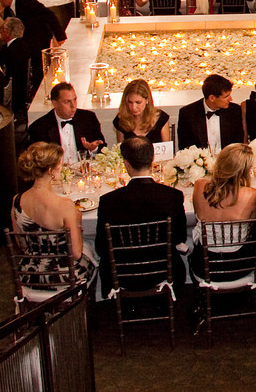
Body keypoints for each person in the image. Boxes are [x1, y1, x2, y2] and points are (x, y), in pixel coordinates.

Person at [95, 136, 187, 294]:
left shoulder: (108, 201)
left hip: (121, 275)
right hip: (164, 270)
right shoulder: (173, 196)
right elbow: (180, 237)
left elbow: (101, 246)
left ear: (126, 164)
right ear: (152, 161)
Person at [12, 143, 97, 286]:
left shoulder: (17, 200)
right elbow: (76, 253)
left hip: (30, 274)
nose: (62, 167)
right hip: (64, 276)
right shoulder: (65, 205)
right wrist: (77, 223)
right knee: (95, 255)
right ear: (51, 170)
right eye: (60, 164)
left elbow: (22, 244)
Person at [190, 144, 256, 283]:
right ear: (244, 171)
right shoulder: (251, 195)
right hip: (239, 266)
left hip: (204, 266)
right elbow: (251, 227)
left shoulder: (199, 185)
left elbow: (197, 213)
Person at [28, 82, 105, 161]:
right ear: (55, 103)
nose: (73, 106)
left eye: (74, 100)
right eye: (67, 102)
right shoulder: (39, 128)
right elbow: (37, 160)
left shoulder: (88, 118)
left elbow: (103, 149)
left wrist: (93, 149)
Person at [177, 74, 243, 152]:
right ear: (212, 98)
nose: (230, 99)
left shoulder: (234, 111)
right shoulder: (188, 113)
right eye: (226, 96)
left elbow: (238, 144)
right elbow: (184, 147)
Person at [113, 79, 171, 143]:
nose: (133, 107)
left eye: (138, 102)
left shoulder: (161, 118)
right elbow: (120, 147)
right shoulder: (121, 120)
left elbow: (166, 147)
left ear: (147, 100)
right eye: (130, 102)